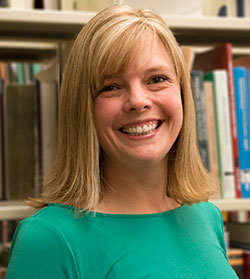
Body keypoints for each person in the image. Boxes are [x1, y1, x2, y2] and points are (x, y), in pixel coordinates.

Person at [6, 4, 238, 279]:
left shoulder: (206, 216)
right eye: (111, 87)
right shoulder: (48, 238)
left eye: (157, 79)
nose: (138, 101)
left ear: (183, 93)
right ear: (82, 110)